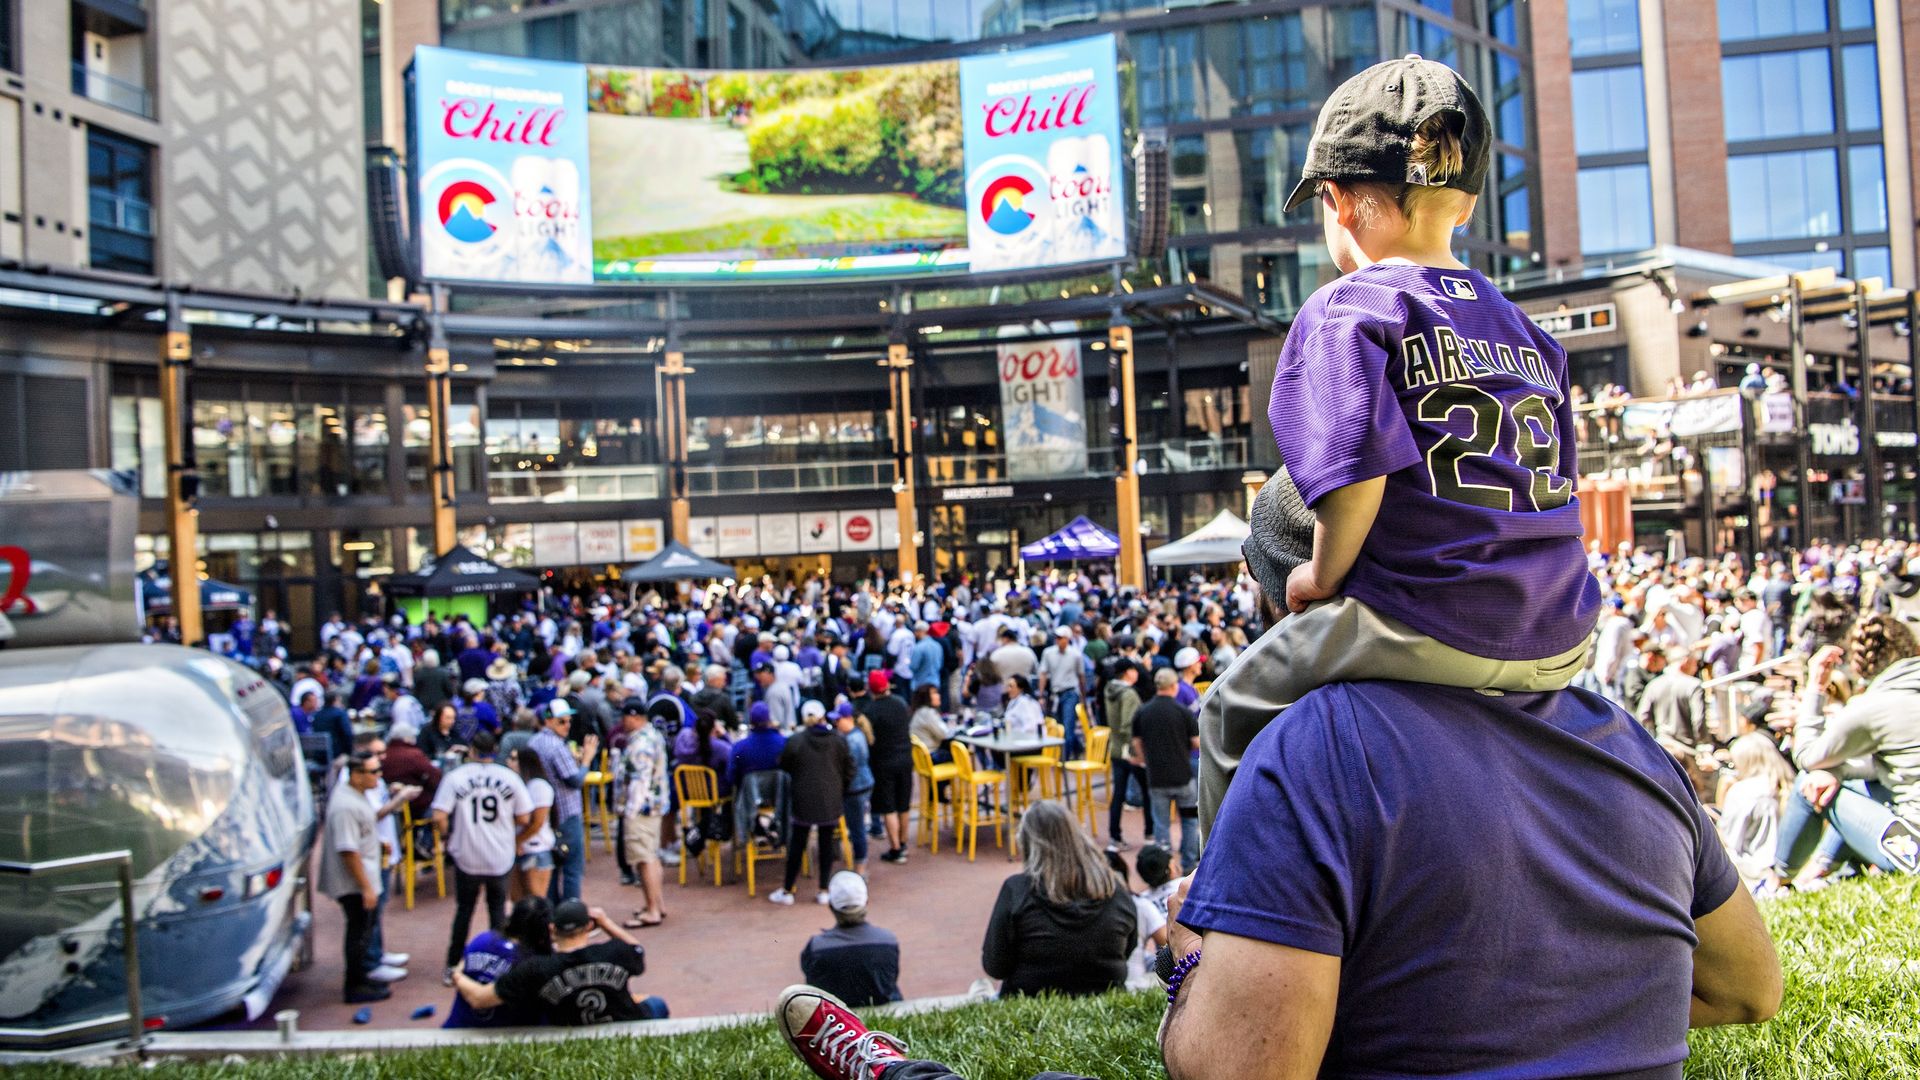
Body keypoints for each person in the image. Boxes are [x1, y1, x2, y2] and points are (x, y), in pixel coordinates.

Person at [1198, 56, 1599, 836]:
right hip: (1561, 630)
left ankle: (1221, 928)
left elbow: (1354, 479)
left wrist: (1320, 572)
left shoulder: (1349, 307)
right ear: (1470, 202)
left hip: (1432, 622)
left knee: (1226, 711)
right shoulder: (1529, 332)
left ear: (1339, 203)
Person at [1770, 615, 1920, 886]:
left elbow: (1807, 756)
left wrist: (1815, 687)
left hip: (1914, 849)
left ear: (1859, 666)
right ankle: (1825, 869)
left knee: (1810, 781)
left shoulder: (1873, 706)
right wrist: (1840, 772)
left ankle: (1778, 881)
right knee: (1858, 781)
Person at [980, 800, 1136, 997]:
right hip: (1103, 996)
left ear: (1029, 845)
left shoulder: (1017, 890)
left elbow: (995, 966)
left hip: (1029, 1000)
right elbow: (1128, 948)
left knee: (980, 989)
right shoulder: (1115, 889)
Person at [454, 899, 667, 1025]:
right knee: (656, 1004)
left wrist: (458, 975)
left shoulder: (536, 968)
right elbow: (637, 949)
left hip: (569, 1033)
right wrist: (606, 922)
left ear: (552, 929)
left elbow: (479, 998)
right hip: (623, 1025)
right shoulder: (614, 952)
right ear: (589, 927)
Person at [431, 730, 532, 981]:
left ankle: (452, 966)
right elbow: (524, 817)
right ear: (495, 751)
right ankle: (499, 967)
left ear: (472, 751)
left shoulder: (456, 777)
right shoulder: (509, 777)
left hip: (467, 853)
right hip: (499, 854)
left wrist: (447, 835)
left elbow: (439, 817)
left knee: (464, 910)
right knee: (498, 911)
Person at [321, 751, 400, 1003]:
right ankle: (355, 985)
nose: (379, 776)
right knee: (359, 932)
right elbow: (348, 850)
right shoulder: (345, 806)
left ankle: (362, 977)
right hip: (354, 883)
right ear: (356, 775)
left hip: (363, 876)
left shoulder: (355, 796)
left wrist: (378, 844)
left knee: (363, 929)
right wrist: (365, 887)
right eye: (373, 772)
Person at [772, 699, 852, 906]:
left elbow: (784, 764)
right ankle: (824, 889)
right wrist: (839, 789)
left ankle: (788, 890)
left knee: (797, 845)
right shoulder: (837, 740)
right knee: (825, 844)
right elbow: (849, 769)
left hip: (803, 799)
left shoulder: (796, 740)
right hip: (829, 799)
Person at [443, 896, 552, 1029]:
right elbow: (479, 998)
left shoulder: (482, 939)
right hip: (503, 1036)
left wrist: (456, 975)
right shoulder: (532, 964)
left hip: (457, 1028)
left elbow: (462, 965)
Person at [1131, 668, 1201, 871]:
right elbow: (1196, 742)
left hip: (1157, 779)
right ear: (1174, 686)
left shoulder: (1143, 711)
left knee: (1161, 824)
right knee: (1189, 822)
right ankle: (1188, 865)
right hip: (1183, 778)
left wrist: (1145, 760)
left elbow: (1137, 743)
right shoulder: (1183, 712)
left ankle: (1165, 867)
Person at [799, 871, 901, 1008]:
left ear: (831, 906)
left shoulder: (816, 947)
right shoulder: (888, 941)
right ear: (866, 902)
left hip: (835, 1017)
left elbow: (812, 982)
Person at [529, 698, 596, 901]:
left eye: (568, 721)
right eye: (561, 722)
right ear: (549, 721)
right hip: (566, 813)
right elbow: (575, 781)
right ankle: (571, 917)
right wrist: (586, 760)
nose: (567, 726)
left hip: (545, 814)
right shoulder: (556, 746)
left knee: (552, 868)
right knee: (572, 869)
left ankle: (552, 916)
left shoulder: (534, 742)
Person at [1717, 733, 1797, 889]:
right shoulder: (1790, 786)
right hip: (1789, 867)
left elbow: (1729, 841)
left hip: (1752, 870)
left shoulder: (1741, 791)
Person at [618, 702, 671, 928]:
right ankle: (657, 904)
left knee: (644, 858)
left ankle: (652, 910)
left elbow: (640, 781)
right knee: (651, 854)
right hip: (654, 805)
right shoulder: (652, 735)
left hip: (641, 808)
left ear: (635, 717)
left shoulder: (641, 743)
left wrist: (630, 811)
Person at [860, 671, 915, 865]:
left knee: (889, 806)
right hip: (905, 757)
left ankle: (895, 848)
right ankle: (904, 842)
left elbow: (868, 738)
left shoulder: (870, 711)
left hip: (883, 761)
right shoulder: (901, 703)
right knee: (904, 804)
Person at [1102, 661, 1151, 851]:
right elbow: (1128, 725)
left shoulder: (1110, 689)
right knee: (1147, 792)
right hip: (1129, 751)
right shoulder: (1129, 694)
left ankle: (1115, 837)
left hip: (1114, 747)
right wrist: (1138, 752)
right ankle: (1150, 833)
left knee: (1118, 794)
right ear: (1128, 672)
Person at [1637, 647, 1709, 754]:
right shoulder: (1694, 685)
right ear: (1685, 661)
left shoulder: (1654, 684)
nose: (1696, 669)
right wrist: (1704, 744)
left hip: (1662, 748)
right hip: (1687, 750)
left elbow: (1643, 716)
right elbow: (1698, 720)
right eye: (1695, 664)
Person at [834, 703, 875, 877]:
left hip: (855, 788)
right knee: (856, 826)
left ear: (848, 719)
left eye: (838, 720)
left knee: (857, 827)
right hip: (862, 784)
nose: (836, 724)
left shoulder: (852, 740)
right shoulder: (856, 734)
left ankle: (861, 868)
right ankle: (858, 863)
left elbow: (849, 767)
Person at [511, 748, 556, 902]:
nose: (510, 762)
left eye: (514, 759)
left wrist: (517, 840)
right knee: (518, 901)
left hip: (536, 849)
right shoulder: (520, 784)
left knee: (536, 903)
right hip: (520, 849)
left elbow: (537, 822)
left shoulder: (538, 786)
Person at [908, 685, 950, 764]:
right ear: (926, 697)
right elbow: (944, 734)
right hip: (930, 756)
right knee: (959, 751)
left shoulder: (919, 712)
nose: (938, 695)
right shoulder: (927, 713)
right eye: (934, 693)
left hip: (921, 756)